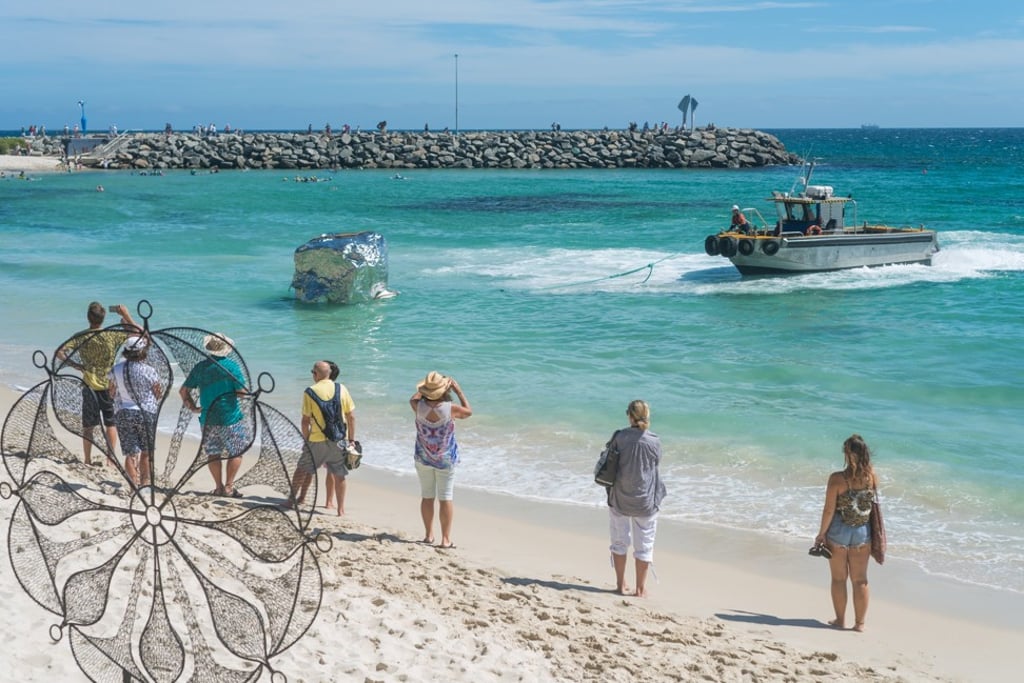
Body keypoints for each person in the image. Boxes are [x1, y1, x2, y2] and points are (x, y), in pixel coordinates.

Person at [57, 302, 140, 467]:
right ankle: (110, 459)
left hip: (89, 385)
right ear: (103, 319)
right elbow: (137, 333)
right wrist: (126, 314)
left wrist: (78, 366)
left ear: (88, 318)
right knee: (110, 423)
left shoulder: (80, 336)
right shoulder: (111, 335)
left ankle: (87, 459)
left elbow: (59, 352)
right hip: (108, 386)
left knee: (88, 426)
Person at [814, 434, 879, 632]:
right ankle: (859, 624)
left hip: (838, 531)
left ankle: (840, 620)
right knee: (860, 580)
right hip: (862, 532)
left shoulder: (837, 479)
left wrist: (820, 534)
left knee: (839, 578)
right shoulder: (871, 476)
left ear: (847, 454)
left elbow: (828, 510)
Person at [606, 400, 666, 597]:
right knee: (644, 546)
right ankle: (640, 589)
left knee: (619, 542)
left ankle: (621, 585)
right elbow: (655, 463)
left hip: (620, 497)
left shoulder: (620, 437)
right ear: (647, 417)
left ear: (629, 417)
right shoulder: (654, 440)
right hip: (646, 500)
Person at [179, 333, 248, 497]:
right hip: (229, 417)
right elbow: (242, 392)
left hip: (207, 418)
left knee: (213, 453)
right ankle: (229, 487)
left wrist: (193, 408)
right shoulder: (231, 367)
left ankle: (218, 487)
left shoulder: (201, 367)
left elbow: (183, 391)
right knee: (236, 452)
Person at [409, 371, 472, 548]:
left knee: (427, 496)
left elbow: (413, 398)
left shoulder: (417, 405)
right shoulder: (451, 408)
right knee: (445, 498)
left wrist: (424, 389)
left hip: (423, 457)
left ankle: (429, 535)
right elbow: (469, 411)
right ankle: (445, 539)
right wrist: (459, 391)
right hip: (445, 459)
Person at [289, 360, 356, 515]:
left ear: (316, 374)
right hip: (339, 440)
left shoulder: (310, 392)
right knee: (340, 475)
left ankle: (291, 500)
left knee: (302, 469)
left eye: (312, 372)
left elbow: (305, 421)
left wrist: (306, 440)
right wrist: (351, 439)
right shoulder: (341, 388)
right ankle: (340, 509)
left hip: (317, 439)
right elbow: (351, 417)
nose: (312, 375)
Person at [108, 336, 161, 487]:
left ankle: (133, 486)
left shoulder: (116, 369)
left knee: (130, 453)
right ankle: (144, 485)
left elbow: (111, 392)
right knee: (146, 452)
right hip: (146, 413)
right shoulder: (149, 370)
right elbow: (158, 393)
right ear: (142, 351)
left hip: (124, 412)